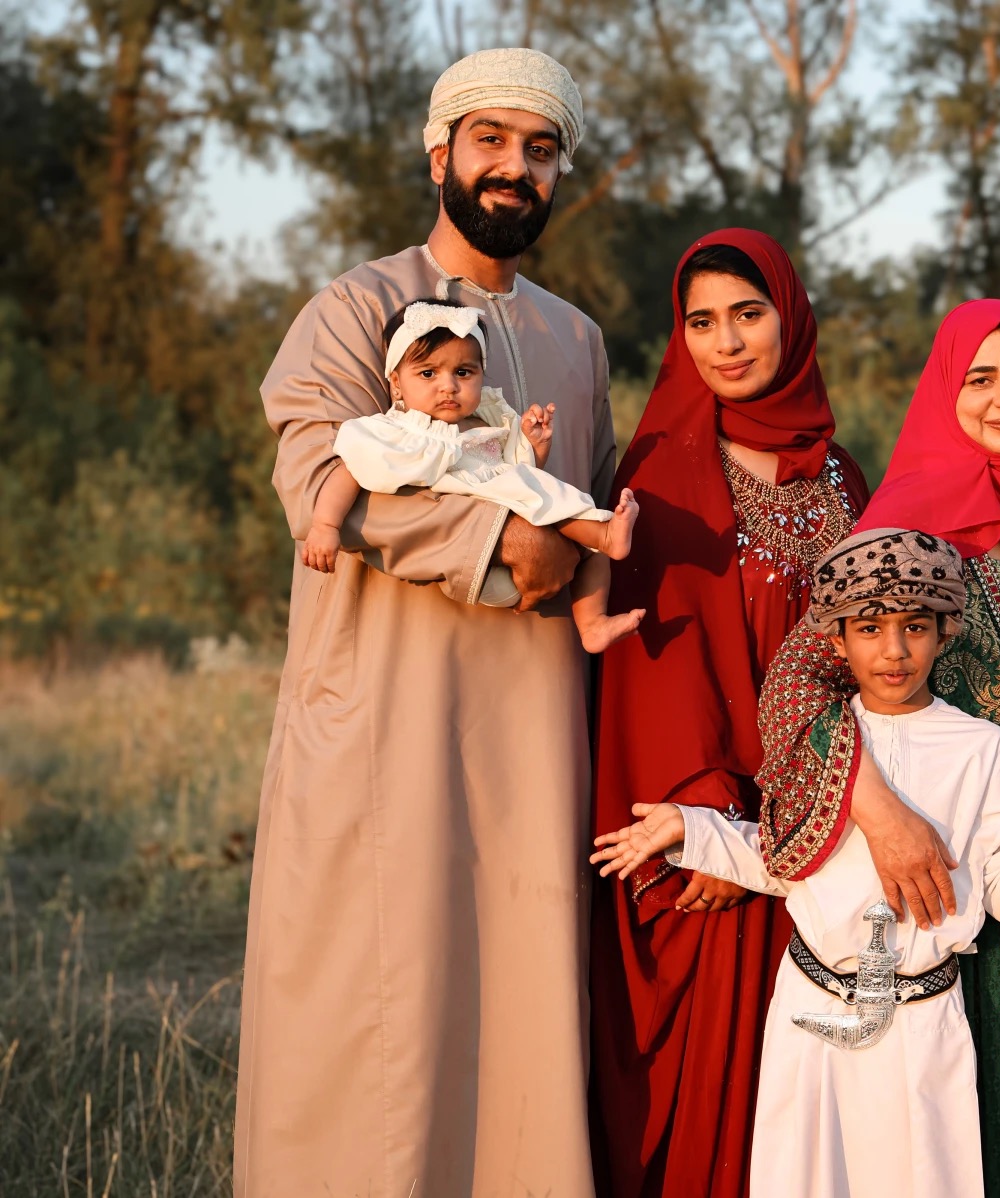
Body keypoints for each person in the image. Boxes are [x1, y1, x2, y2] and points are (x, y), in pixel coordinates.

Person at [237, 47, 610, 1196]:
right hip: (385, 721)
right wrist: (502, 541)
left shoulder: (577, 339)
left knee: (519, 1018)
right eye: (489, 140)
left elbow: (589, 509)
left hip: (532, 739)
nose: (514, 168)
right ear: (439, 152)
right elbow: (323, 480)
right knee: (373, 1031)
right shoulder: (356, 309)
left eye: (539, 149)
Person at [592, 529, 1000, 1198]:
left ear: (944, 632)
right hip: (813, 1011)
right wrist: (692, 827)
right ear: (835, 641)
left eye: (915, 627)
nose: (894, 650)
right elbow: (785, 859)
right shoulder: (820, 742)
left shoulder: (979, 748)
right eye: (870, 628)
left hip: (922, 1021)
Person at [755, 298, 1000, 1196]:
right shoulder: (901, 532)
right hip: (940, 884)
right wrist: (884, 816)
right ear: (944, 391)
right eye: (979, 379)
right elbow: (793, 691)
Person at [590, 229, 870, 1198]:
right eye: (701, 322)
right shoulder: (662, 474)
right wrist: (713, 828)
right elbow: (649, 667)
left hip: (830, 834)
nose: (726, 342)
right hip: (714, 839)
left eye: (748, 315)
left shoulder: (846, 477)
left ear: (789, 319)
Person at [301, 298, 644, 652]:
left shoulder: (486, 422)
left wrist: (535, 445)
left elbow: (523, 473)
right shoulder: (397, 432)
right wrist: (325, 525)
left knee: (590, 543)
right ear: (397, 384)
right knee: (563, 513)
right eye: (428, 373)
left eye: (463, 372)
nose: (448, 386)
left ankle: (592, 623)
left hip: (521, 549)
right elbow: (349, 470)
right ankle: (604, 537)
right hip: (484, 565)